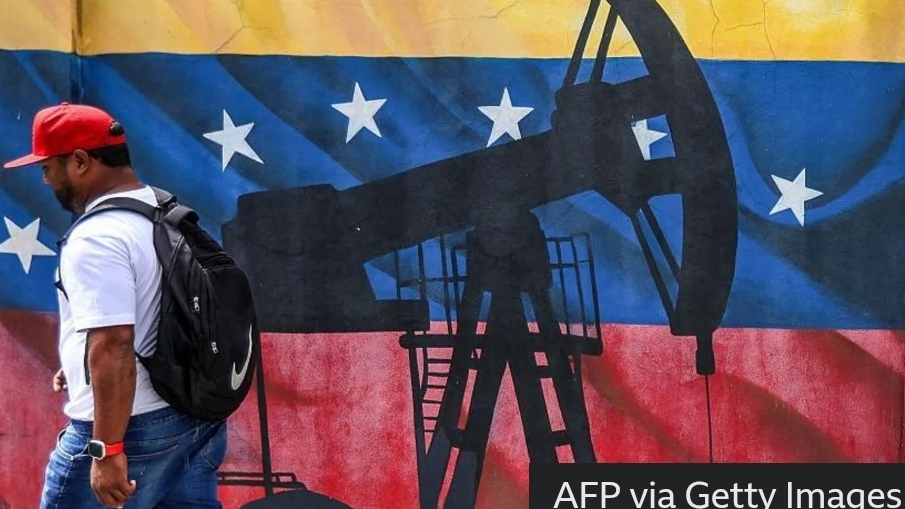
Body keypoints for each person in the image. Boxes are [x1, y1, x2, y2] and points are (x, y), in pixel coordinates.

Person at [4, 102, 227, 508]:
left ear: (80, 161)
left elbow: (114, 344)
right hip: (194, 417)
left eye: (47, 167)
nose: (45, 179)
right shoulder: (162, 210)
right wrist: (81, 364)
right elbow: (153, 308)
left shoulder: (97, 237)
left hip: (135, 428)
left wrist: (106, 449)